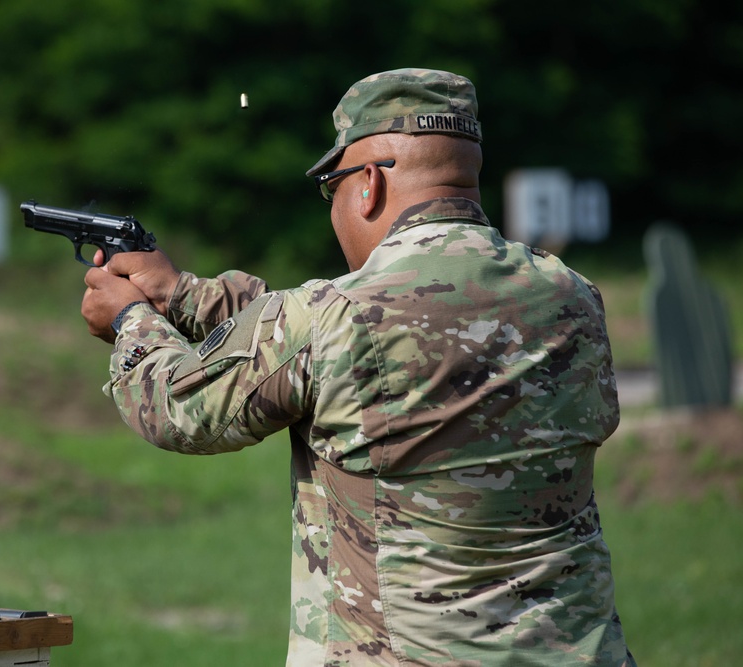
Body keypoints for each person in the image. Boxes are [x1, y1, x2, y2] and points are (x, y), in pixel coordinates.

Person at [80, 68, 636, 666]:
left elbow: (176, 408)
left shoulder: (334, 319)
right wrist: (183, 295)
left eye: (333, 187)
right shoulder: (572, 297)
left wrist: (130, 321)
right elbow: (365, 337)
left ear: (367, 182)